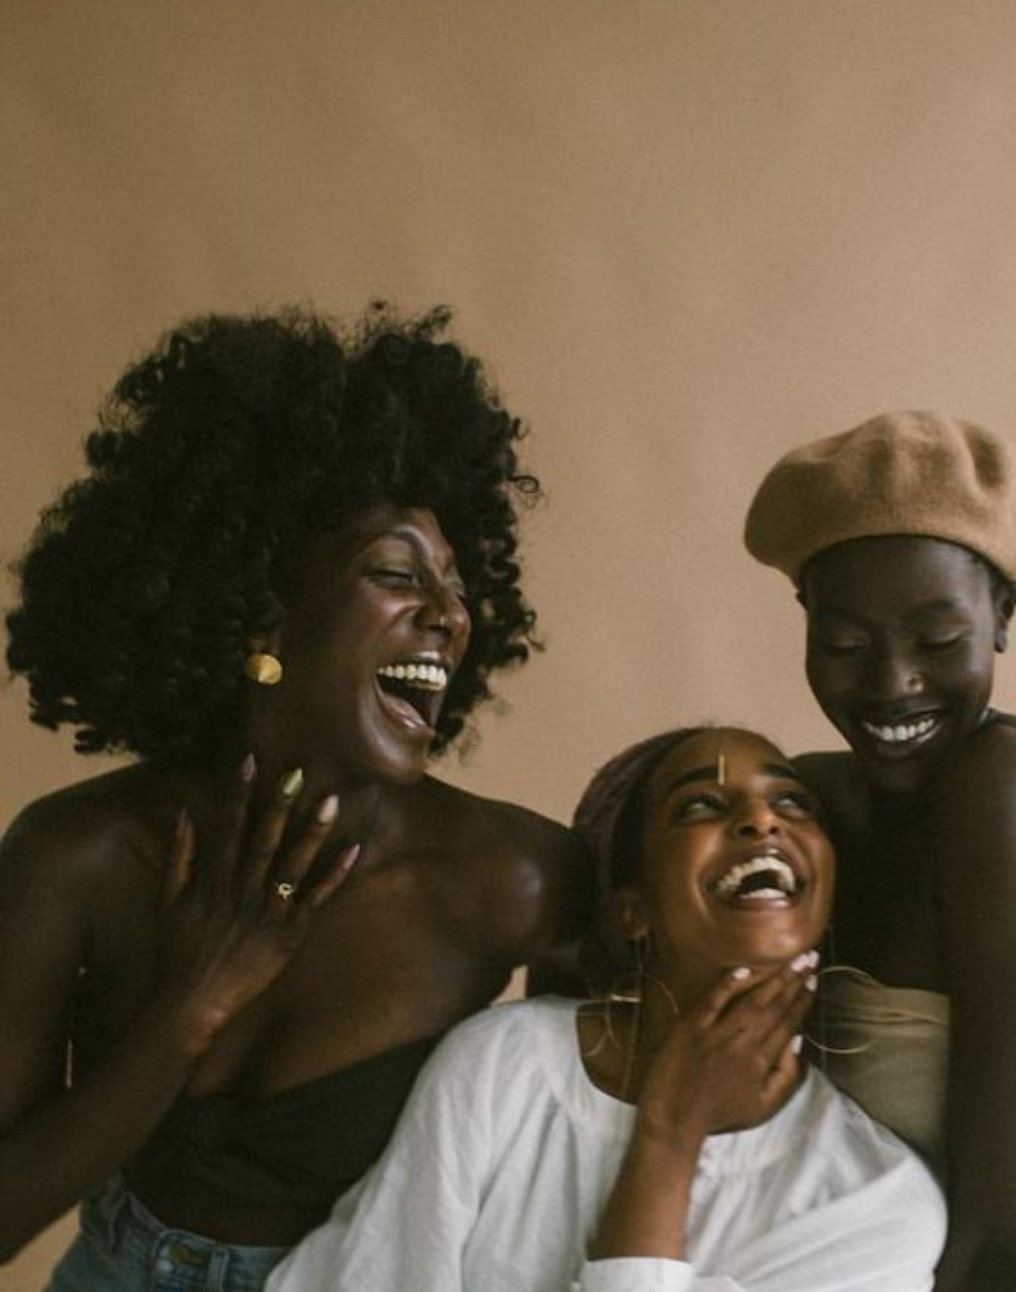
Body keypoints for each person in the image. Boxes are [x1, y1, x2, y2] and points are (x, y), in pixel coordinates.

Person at [0, 304, 589, 1290]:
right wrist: (194, 1003)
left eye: (456, 587)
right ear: (261, 611)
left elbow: (582, 1167)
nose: (450, 617)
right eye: (397, 574)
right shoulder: (77, 857)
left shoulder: (517, 882)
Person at [265, 724, 946, 1292]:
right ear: (631, 910)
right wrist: (669, 1128)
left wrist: (669, 1141)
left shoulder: (877, 1206)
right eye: (700, 805)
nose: (763, 820)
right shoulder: (505, 1066)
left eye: (793, 803)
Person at [744, 410, 1016, 1292]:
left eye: (938, 642)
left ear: (1003, 615)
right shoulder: (805, 801)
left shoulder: (1009, 783)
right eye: (845, 644)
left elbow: (1002, 1242)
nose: (892, 683)